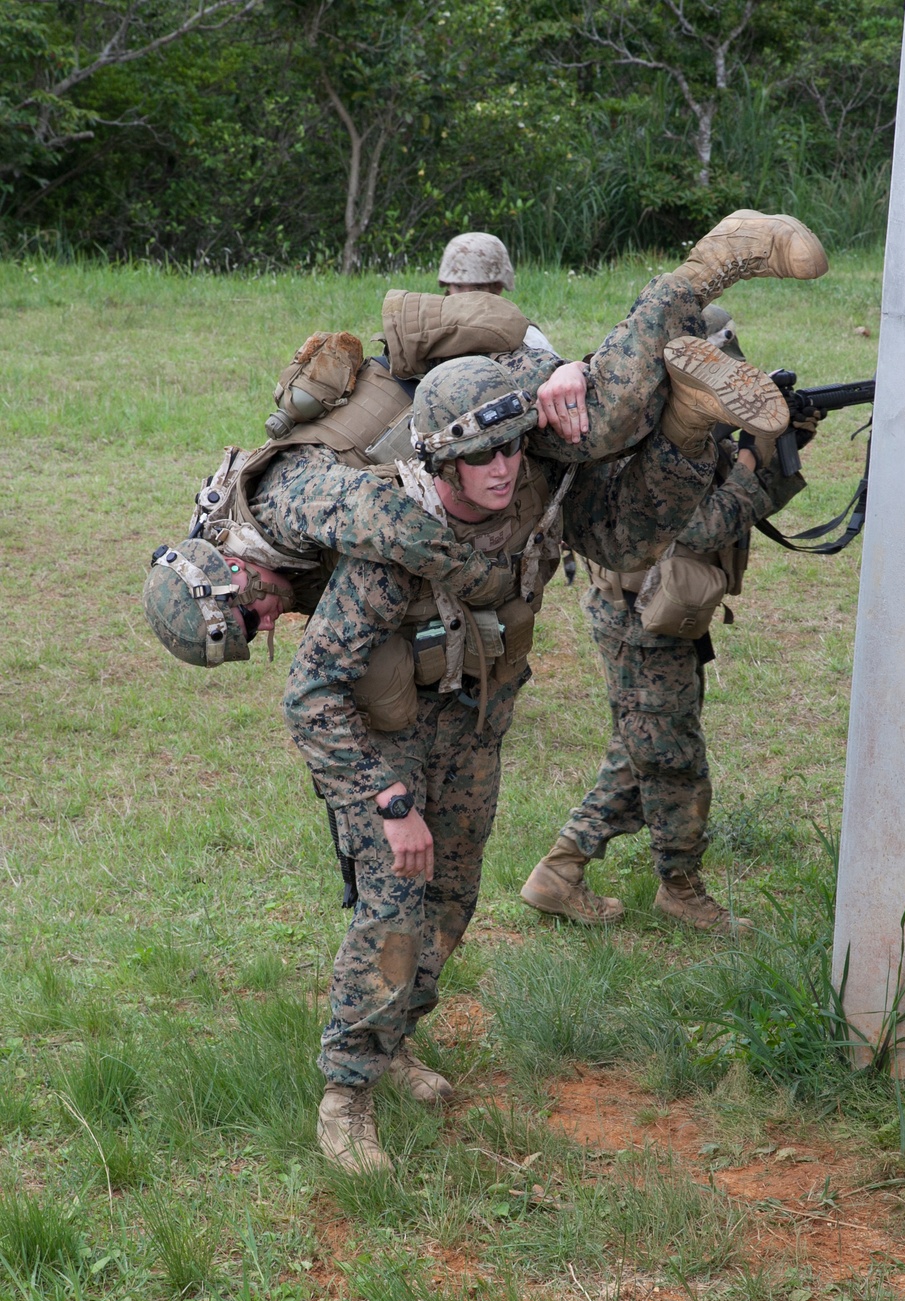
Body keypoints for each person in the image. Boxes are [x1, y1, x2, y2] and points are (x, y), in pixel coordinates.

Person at [274, 210, 828, 1173]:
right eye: (479, 459)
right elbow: (310, 694)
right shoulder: (386, 546)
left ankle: (696, 396)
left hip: (476, 718)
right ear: (436, 460)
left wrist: (598, 400)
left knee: (452, 901)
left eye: (511, 451)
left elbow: (618, 537)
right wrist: (388, 801)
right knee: (397, 900)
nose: (501, 472)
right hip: (385, 734)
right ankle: (347, 1090)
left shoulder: (528, 480)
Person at [519, 387, 816, 933]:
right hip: (642, 616)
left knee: (645, 745)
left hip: (651, 613)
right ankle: (679, 890)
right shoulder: (650, 439)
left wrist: (778, 449)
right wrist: (754, 454)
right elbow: (703, 526)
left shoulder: (664, 426)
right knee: (673, 759)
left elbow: (735, 502)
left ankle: (560, 872)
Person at [438, 230, 558, 356]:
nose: (466, 297)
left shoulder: (525, 337)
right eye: (458, 286)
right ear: (448, 287)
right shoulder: (432, 333)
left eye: (477, 288)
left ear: (497, 288)